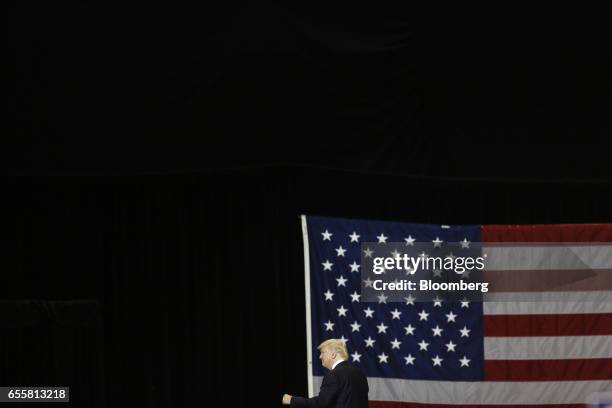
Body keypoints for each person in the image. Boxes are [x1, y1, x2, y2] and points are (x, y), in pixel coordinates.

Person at [282, 339, 368, 408]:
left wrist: (292, 400)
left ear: (333, 354)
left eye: (323, 352)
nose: (320, 356)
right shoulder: (360, 374)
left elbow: (321, 403)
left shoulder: (334, 375)